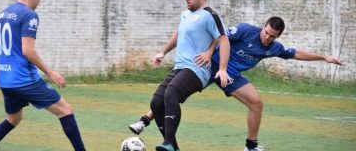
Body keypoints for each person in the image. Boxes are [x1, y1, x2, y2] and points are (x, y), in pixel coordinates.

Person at [129, 16, 344, 151]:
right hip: (210, 67)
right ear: (263, 27)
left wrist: (323, 57)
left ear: (277, 36)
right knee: (173, 95)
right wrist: (209, 53)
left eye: (272, 36)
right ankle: (145, 119)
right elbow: (220, 37)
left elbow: (296, 53)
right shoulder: (245, 30)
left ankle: (250, 145)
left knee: (257, 103)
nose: (267, 37)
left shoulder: (273, 48)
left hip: (230, 77)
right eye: (266, 32)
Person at [0, 0, 86, 151]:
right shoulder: (30, 15)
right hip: (24, 80)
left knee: (13, 119)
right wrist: (50, 72)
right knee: (65, 110)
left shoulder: (3, 14)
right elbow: (27, 51)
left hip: (6, 81)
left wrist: (2, 73)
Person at [147, 0, 231, 151]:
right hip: (179, 67)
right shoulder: (185, 14)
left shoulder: (210, 15)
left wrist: (222, 68)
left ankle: (168, 143)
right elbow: (179, 34)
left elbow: (224, 39)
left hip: (197, 69)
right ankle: (173, 147)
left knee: (171, 93)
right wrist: (163, 52)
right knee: (156, 103)